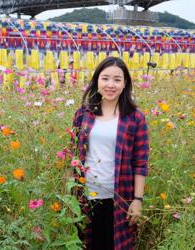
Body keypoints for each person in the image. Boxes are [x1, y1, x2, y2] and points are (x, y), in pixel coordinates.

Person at [72, 56, 149, 250]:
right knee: (86, 244)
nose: (110, 85)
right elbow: (72, 156)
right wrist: (69, 194)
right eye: (105, 78)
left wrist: (137, 200)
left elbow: (140, 163)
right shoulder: (83, 113)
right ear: (97, 80)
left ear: (125, 84)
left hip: (117, 198)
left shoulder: (135, 118)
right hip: (84, 196)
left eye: (117, 79)